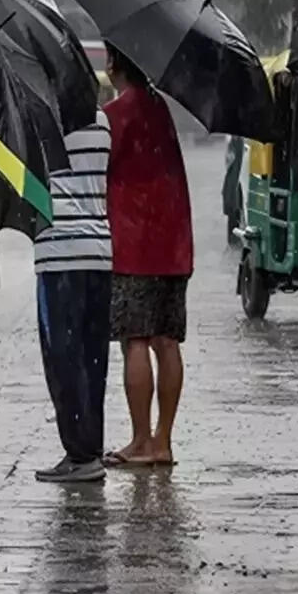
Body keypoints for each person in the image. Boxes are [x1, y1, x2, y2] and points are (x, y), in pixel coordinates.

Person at [103, 44, 192, 467]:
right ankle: (163, 440)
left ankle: (140, 440)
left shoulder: (116, 115)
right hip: (174, 243)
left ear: (113, 63)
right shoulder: (161, 109)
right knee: (167, 341)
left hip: (133, 244)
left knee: (134, 340)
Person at [33, 111, 114, 483]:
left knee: (63, 360)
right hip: (99, 250)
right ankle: (90, 448)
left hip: (59, 252)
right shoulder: (101, 121)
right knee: (93, 358)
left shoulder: (41, 120)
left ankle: (79, 454)